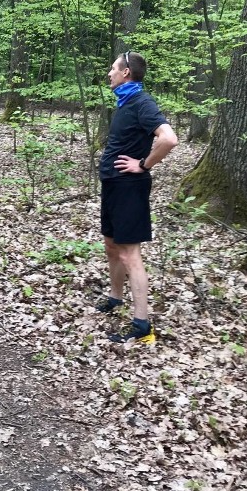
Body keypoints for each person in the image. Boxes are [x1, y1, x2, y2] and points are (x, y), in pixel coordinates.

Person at [96, 51, 178, 343]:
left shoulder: (142, 102)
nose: (109, 73)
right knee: (111, 245)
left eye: (112, 68)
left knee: (130, 254)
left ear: (126, 72)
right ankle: (116, 297)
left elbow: (168, 138)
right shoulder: (126, 101)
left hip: (130, 187)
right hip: (114, 185)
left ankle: (142, 326)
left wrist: (142, 164)